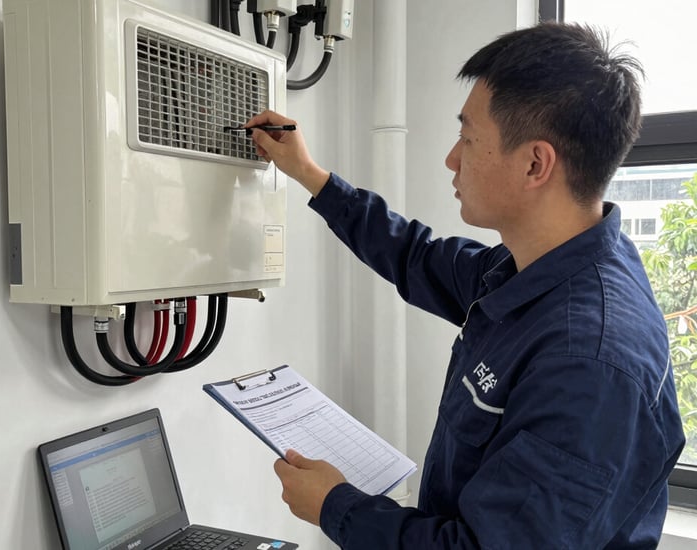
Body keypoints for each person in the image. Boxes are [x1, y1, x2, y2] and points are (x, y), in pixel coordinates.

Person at [246, 21, 686, 549]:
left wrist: (334, 507)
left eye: (468, 138)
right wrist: (309, 174)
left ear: (535, 163)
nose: (452, 158)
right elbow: (417, 256)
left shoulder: (587, 362)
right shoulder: (539, 270)